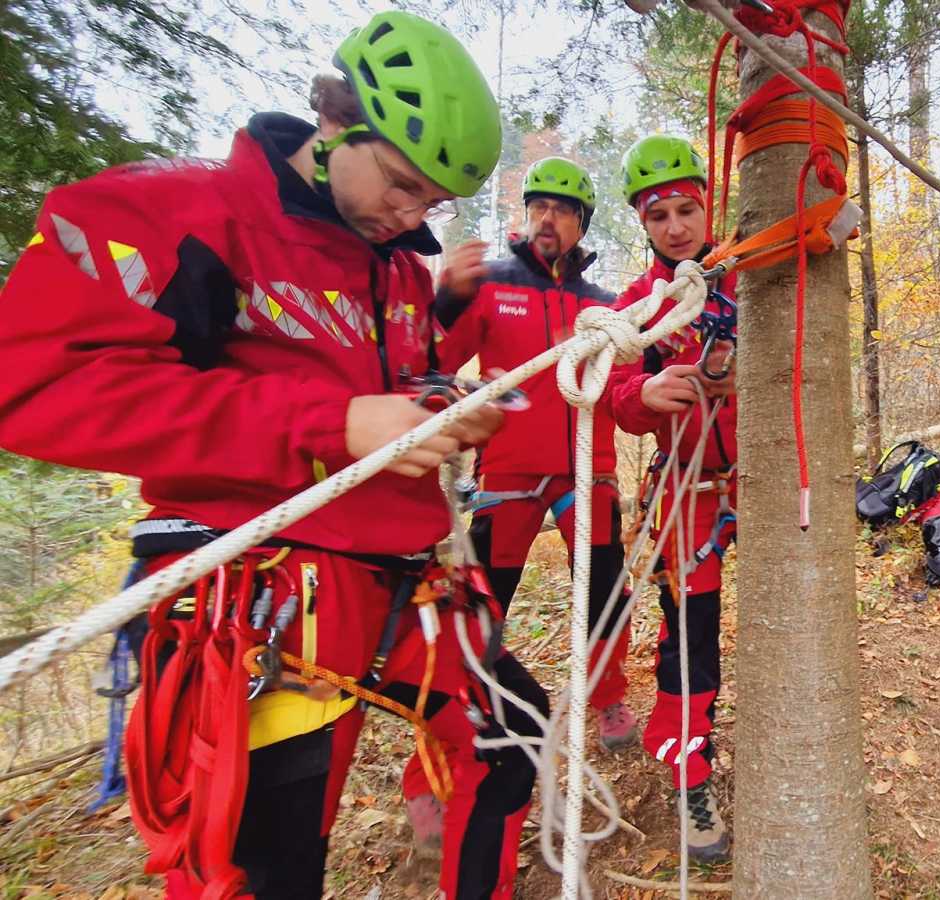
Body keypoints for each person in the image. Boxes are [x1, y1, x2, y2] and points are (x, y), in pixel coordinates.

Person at [0, 12, 550, 898]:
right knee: (266, 863)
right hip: (263, 598)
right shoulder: (174, 215)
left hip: (401, 582)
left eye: (432, 204)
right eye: (402, 185)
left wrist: (437, 408)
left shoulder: (398, 270)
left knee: (510, 733)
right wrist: (333, 423)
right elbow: (30, 390)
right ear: (335, 120)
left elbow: (385, 391)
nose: (412, 216)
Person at [431, 156, 639, 757]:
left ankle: (609, 696)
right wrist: (446, 300)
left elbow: (628, 373)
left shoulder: (600, 304)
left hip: (587, 470)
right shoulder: (491, 285)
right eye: (538, 208)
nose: (549, 220)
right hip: (509, 471)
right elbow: (434, 361)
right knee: (484, 592)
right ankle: (476, 693)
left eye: (563, 211)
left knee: (605, 588)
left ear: (581, 224)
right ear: (524, 217)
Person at [609, 134, 737, 862]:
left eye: (687, 209)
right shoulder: (641, 302)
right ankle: (689, 771)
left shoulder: (747, 271)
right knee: (691, 638)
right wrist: (648, 394)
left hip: (766, 478)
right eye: (659, 217)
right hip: (688, 487)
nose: (676, 227)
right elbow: (616, 395)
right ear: (644, 224)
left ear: (708, 204)